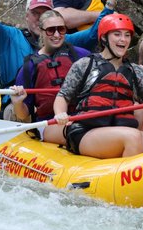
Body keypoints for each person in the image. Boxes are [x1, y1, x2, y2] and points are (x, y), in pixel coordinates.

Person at [52, 13, 143, 158]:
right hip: (87, 131)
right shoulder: (85, 64)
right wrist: (60, 113)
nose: (123, 39)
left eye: (127, 35)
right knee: (132, 136)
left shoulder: (135, 71)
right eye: (117, 34)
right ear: (104, 37)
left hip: (123, 130)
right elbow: (63, 96)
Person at [0, 0, 125, 89]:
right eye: (35, 13)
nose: (40, 18)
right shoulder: (8, 37)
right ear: (26, 16)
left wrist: (111, 2)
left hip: (50, 105)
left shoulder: (61, 40)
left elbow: (93, 34)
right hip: (17, 103)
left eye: (45, 14)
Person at [6, 9, 89, 144]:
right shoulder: (30, 66)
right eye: (51, 30)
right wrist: (17, 102)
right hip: (48, 123)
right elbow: (23, 114)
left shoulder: (80, 55)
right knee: (78, 131)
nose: (57, 35)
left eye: (61, 29)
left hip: (81, 117)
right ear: (41, 31)